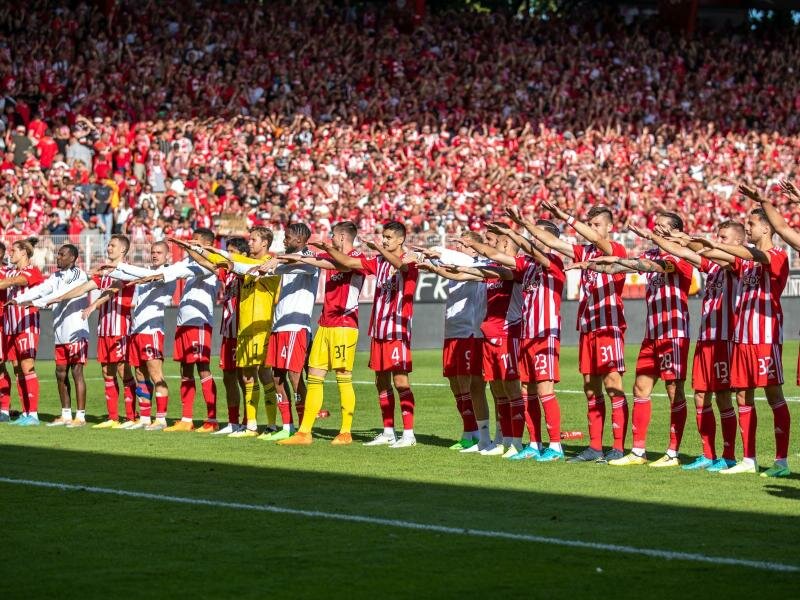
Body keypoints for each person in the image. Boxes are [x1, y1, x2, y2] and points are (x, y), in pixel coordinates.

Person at [570, 213, 693, 467]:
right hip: (652, 333)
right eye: (655, 224)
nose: (656, 228)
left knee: (674, 391)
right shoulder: (650, 254)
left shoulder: (680, 257)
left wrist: (618, 261)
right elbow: (623, 265)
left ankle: (673, 452)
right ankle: (638, 451)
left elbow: (650, 268)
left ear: (677, 231)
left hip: (673, 333)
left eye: (662, 225)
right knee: (640, 389)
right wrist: (592, 265)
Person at [519, 204, 629, 464]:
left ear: (609, 227)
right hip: (588, 326)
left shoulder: (616, 250)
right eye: (590, 225)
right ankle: (594, 447)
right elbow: (553, 242)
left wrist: (566, 217)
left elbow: (594, 240)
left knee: (613, 386)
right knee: (590, 389)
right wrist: (525, 225)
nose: (593, 230)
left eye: (597, 225)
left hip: (608, 324)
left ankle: (618, 447)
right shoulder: (584, 252)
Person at [694, 201, 791, 478]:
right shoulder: (744, 263)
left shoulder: (777, 255)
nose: (747, 227)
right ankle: (749, 459)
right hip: (742, 338)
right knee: (741, 396)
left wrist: (716, 245)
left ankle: (781, 461)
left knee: (774, 395)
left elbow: (755, 256)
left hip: (764, 337)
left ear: (766, 227)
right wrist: (689, 242)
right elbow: (719, 257)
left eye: (751, 224)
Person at [306, 221, 420, 448]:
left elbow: (401, 266)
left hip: (396, 328)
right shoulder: (378, 262)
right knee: (381, 381)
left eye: (389, 237)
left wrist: (379, 248)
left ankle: (408, 434)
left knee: (401, 382)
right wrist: (327, 248)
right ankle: (388, 431)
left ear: (400, 239)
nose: (385, 240)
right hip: (378, 329)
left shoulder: (410, 259)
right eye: (384, 237)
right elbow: (347, 262)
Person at [463, 220, 567, 462]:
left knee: (544, 389)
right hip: (527, 335)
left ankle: (556, 446)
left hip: (545, 334)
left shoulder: (554, 261)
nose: (532, 239)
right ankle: (534, 443)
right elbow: (501, 259)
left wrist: (513, 229)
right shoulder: (527, 266)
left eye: (537, 235)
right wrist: (475, 246)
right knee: (527, 390)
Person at [644, 223, 743, 472]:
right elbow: (689, 254)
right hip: (706, 338)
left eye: (723, 237)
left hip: (724, 339)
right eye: (718, 236)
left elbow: (702, 250)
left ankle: (729, 455)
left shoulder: (734, 266)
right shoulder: (713, 270)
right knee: (700, 396)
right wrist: (661, 238)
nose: (717, 240)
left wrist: (684, 238)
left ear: (737, 243)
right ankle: (708, 454)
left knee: (723, 397)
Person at [433, 227, 525, 457]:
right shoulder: (490, 269)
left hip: (506, 334)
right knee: (495, 386)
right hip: (487, 334)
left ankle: (514, 441)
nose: (492, 244)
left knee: (510, 389)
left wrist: (465, 255)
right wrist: (435, 267)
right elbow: (467, 273)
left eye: (497, 242)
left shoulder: (511, 269)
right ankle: (490, 439)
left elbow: (479, 268)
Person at [277, 220, 365, 446]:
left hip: (345, 326)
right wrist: (285, 259)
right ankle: (304, 432)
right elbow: (315, 260)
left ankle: (345, 432)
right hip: (325, 324)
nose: (331, 239)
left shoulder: (358, 257)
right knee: (314, 377)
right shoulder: (330, 256)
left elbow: (341, 266)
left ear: (342, 237)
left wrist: (323, 253)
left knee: (343, 379)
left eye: (333, 236)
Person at [191, 227, 280, 438]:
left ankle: (272, 425)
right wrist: (195, 249)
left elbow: (233, 260)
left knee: (265, 375)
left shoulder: (269, 263)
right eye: (249, 239)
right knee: (248, 377)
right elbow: (219, 263)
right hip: (243, 329)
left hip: (261, 327)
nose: (250, 243)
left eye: (254, 240)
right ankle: (250, 425)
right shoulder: (246, 268)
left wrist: (209, 249)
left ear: (265, 243)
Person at [49, 234, 137, 428]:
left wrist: (93, 306)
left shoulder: (127, 270)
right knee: (107, 371)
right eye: (108, 245)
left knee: (123, 370)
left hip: (120, 326)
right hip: (104, 328)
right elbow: (83, 288)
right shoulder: (104, 271)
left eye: (113, 245)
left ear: (123, 249)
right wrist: (59, 298)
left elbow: (114, 289)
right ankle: (113, 417)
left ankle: (132, 417)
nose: (109, 248)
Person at [414, 236, 488, 451]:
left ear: (474, 249)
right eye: (459, 244)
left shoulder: (478, 265)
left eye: (465, 245)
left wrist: (438, 250)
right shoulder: (455, 264)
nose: (460, 247)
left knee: (468, 384)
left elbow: (453, 258)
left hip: (469, 332)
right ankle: (469, 431)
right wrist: (423, 257)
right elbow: (435, 264)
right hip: (451, 330)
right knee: (455, 385)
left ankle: (475, 434)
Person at [10, 244, 90, 427]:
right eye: (58, 254)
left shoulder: (78, 275)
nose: (58, 257)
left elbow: (61, 294)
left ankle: (81, 416)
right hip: (60, 332)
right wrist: (19, 299)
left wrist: (37, 302)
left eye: (62, 255)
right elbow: (42, 289)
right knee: (60, 373)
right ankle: (66, 415)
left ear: (72, 258)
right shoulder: (56, 276)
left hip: (76, 330)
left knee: (77, 372)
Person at [101, 241, 177, 430]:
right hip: (137, 330)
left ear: (167, 255)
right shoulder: (145, 273)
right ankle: (144, 418)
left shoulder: (169, 273)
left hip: (152, 331)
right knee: (140, 374)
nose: (155, 255)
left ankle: (161, 418)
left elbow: (147, 276)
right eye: (153, 252)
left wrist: (119, 266)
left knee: (155, 373)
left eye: (159, 252)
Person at [254, 223, 319, 442]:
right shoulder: (286, 260)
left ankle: (304, 427)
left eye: (289, 237)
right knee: (277, 376)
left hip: (296, 327)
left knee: (294, 375)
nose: (284, 240)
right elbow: (277, 267)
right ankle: (287, 426)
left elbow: (306, 266)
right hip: (279, 325)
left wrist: (278, 259)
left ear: (300, 240)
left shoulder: (310, 257)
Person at [161, 228, 219, 432]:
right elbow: (170, 271)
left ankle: (211, 420)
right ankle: (187, 419)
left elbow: (183, 271)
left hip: (199, 322)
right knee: (185, 370)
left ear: (207, 244)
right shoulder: (188, 261)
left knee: (203, 368)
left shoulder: (212, 261)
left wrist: (185, 246)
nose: (190, 244)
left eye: (195, 242)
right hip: (183, 322)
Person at [1, 240, 44, 425]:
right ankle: (25, 412)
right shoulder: (9, 271)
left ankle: (33, 414)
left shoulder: (31, 271)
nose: (10, 254)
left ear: (24, 253)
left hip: (26, 324)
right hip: (11, 327)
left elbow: (14, 282)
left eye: (14, 251)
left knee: (27, 366)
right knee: (18, 369)